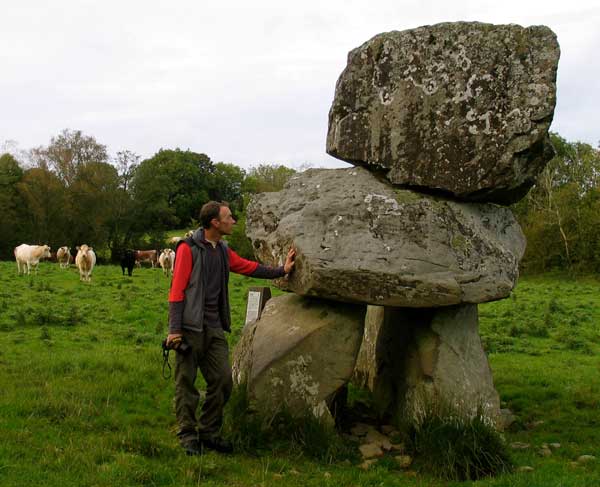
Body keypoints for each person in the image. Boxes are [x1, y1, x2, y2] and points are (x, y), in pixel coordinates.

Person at [166, 201, 295, 456]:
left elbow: (248, 266)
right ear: (215, 222)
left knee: (223, 380)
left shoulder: (223, 250)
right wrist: (174, 329)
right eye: (229, 217)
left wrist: (282, 270)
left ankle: (209, 432)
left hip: (214, 327)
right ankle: (188, 434)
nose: (233, 220)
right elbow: (177, 289)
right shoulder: (187, 249)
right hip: (189, 328)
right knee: (186, 382)